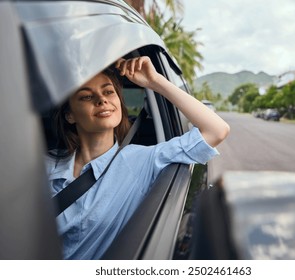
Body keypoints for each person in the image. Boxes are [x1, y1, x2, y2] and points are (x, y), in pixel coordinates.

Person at [46, 56, 230, 259]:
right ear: (69, 115)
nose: (102, 100)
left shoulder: (142, 160)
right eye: (87, 97)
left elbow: (217, 130)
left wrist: (155, 82)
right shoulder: (44, 163)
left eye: (108, 91)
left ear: (118, 102)